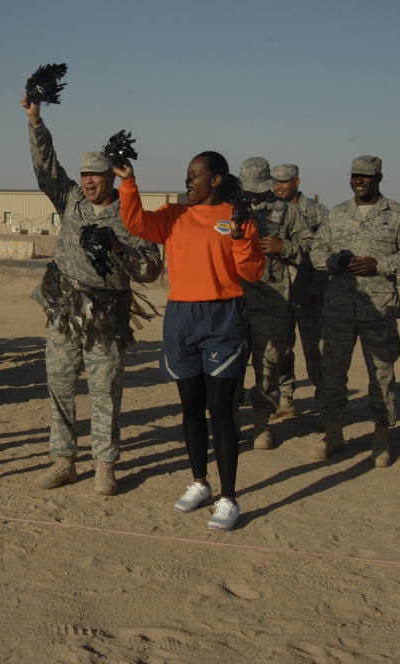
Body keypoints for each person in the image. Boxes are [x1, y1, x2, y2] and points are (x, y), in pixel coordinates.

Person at [22, 91, 163, 496]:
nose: (87, 180)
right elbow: (46, 168)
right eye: (84, 174)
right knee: (60, 387)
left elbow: (151, 271)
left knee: (104, 393)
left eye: (96, 175)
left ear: (111, 176)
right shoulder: (71, 200)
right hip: (65, 311)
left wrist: (122, 250)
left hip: (106, 316)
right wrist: (35, 122)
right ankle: (63, 461)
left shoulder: (131, 214)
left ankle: (105, 465)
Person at [116, 152, 265, 531]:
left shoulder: (236, 217)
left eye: (195, 175)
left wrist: (240, 238)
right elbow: (134, 222)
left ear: (215, 179)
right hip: (182, 318)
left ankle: (229, 497)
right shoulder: (173, 215)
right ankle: (200, 482)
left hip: (223, 317)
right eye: (187, 175)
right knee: (191, 406)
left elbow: (253, 270)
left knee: (221, 408)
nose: (188, 182)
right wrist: (129, 182)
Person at [309, 156, 400, 465]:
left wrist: (380, 264)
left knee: (382, 376)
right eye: (355, 175)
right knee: (332, 374)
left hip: (379, 310)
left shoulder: (398, 214)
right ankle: (334, 434)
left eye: (366, 176)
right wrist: (337, 261)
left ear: (379, 178)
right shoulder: (338, 214)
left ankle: (382, 436)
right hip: (339, 308)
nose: (358, 180)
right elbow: (317, 252)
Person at [234, 157, 313, 451]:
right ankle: (230, 420)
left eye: (257, 189)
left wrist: (286, 247)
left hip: (272, 300)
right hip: (233, 299)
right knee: (232, 364)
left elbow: (313, 248)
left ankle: (261, 422)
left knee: (268, 364)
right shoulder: (229, 209)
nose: (252, 195)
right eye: (248, 189)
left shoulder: (286, 212)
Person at [271, 164, 331, 421]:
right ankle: (286, 399)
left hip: (309, 294)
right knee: (281, 349)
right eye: (275, 181)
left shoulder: (317, 212)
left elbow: (325, 253)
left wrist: (315, 289)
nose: (278, 186)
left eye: (284, 181)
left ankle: (324, 404)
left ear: (296, 181)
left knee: (315, 351)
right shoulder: (271, 210)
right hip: (279, 293)